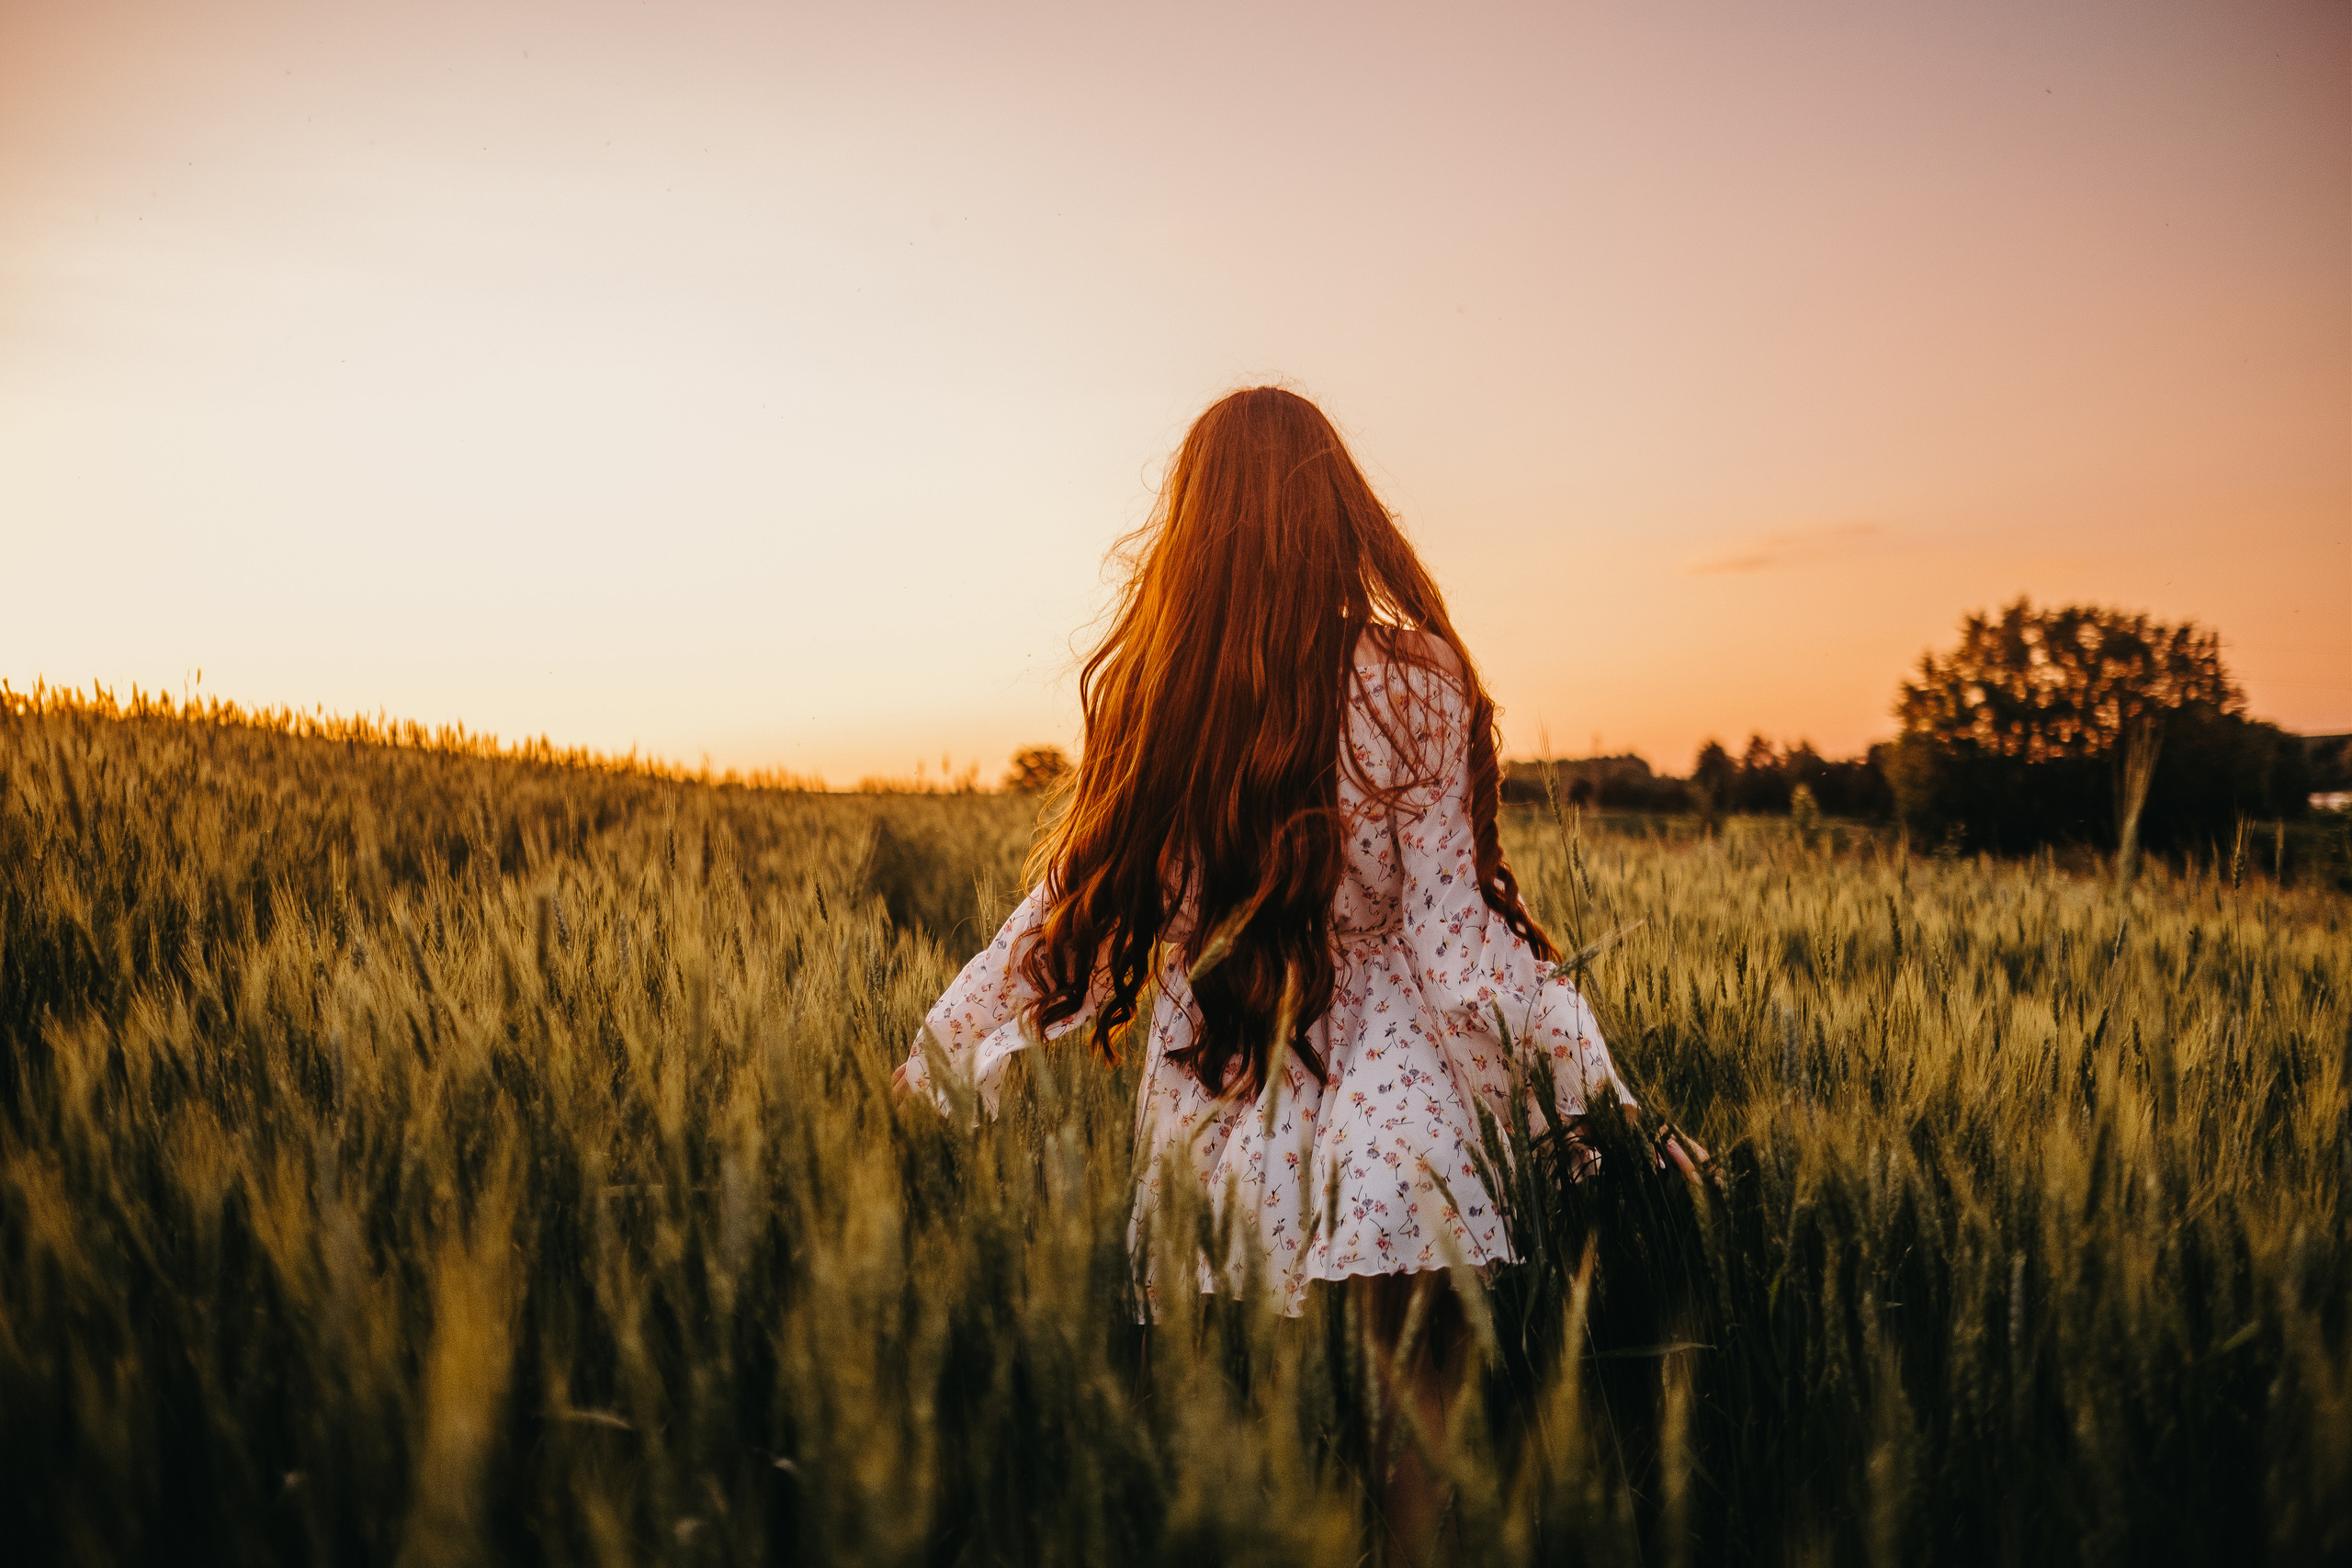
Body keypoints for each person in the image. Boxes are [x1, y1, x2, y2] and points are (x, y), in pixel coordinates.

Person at [892, 386, 1707, 1558]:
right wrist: (1610, 1108)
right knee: (1417, 1413)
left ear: (1193, 530)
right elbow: (1455, 937)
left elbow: (1063, 915)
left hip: (1230, 1066)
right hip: (1400, 1081)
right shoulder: (1412, 675)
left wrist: (929, 1070)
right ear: (1338, 512)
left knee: (1230, 1427)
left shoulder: (1163, 696)